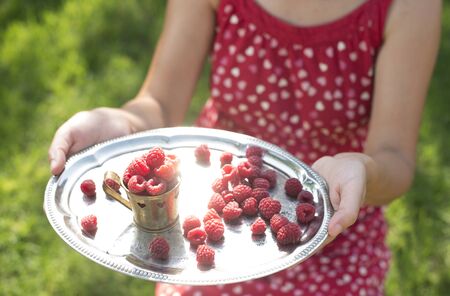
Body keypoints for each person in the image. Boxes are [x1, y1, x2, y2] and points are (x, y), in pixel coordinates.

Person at [48, 0, 441, 295]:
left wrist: (361, 170)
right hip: (217, 219)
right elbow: (160, 102)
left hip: (337, 229)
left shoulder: (408, 7)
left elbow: (395, 157)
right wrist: (121, 122)